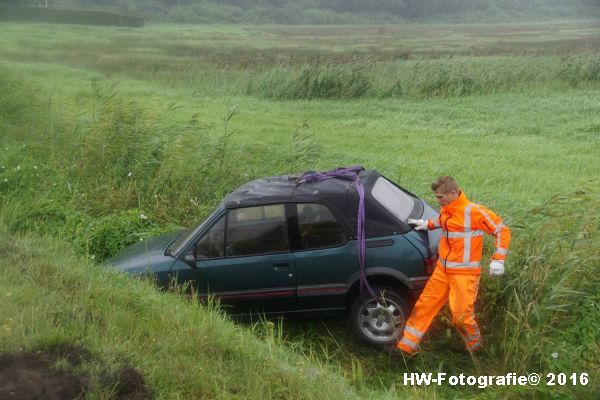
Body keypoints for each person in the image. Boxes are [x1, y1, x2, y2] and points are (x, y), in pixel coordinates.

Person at [389, 176, 510, 355]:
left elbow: (502, 230)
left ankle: (476, 348)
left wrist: (498, 259)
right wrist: (427, 224)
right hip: (442, 271)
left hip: (464, 274)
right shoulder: (447, 208)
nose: (437, 200)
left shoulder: (474, 212)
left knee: (461, 316)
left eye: (440, 197)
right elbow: (444, 222)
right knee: (424, 306)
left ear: (453, 193)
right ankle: (406, 348)